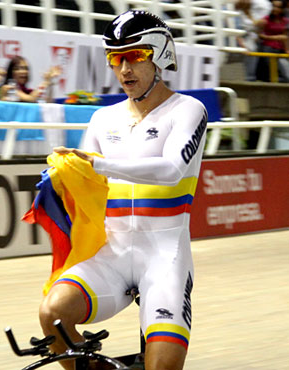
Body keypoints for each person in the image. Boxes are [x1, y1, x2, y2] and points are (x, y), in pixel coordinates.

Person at [38, 10, 208, 370]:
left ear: (159, 55)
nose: (124, 69)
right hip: (111, 254)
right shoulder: (103, 118)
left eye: (135, 56)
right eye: (116, 59)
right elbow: (86, 183)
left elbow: (172, 169)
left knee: (162, 366)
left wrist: (99, 164)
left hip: (164, 258)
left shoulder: (189, 110)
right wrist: (61, 176)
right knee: (53, 314)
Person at [255, 0, 289, 82]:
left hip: (281, 49)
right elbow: (260, 35)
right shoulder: (265, 19)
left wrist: (287, 49)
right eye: (273, 6)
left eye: (278, 7)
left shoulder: (285, 21)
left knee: (285, 71)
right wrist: (277, 37)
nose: (275, 9)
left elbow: (285, 37)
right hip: (268, 47)